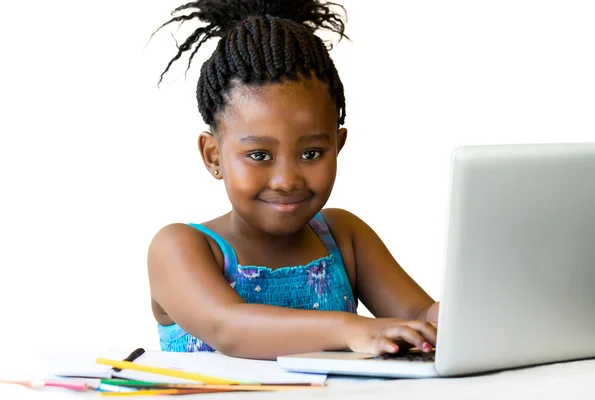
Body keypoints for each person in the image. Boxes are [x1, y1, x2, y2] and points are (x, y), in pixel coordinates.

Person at [148, 0, 439, 360]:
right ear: (213, 156)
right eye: (259, 156)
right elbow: (230, 328)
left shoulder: (345, 236)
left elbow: (419, 318)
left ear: (338, 145)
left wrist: (458, 313)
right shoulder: (181, 247)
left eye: (312, 153)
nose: (287, 180)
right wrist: (352, 328)